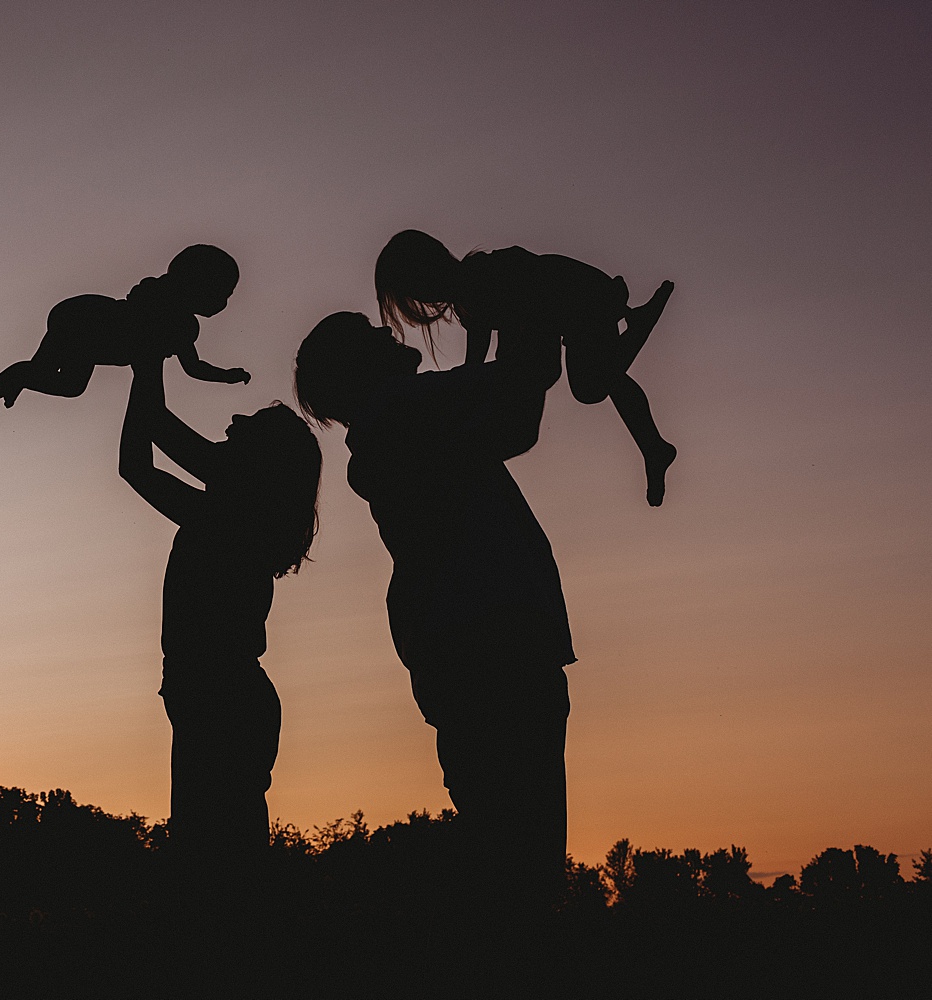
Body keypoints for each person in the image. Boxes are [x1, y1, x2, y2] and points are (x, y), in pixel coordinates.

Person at [294, 311, 570, 912]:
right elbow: (522, 397)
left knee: (502, 847)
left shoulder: (391, 425)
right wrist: (530, 298)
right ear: (359, 368)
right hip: (498, 640)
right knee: (526, 858)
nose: (387, 332)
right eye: (370, 334)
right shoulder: (405, 405)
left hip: (459, 646)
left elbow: (503, 405)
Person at [118, 356, 320, 859]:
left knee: (212, 862)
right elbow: (145, 452)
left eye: (244, 430)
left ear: (257, 465)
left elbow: (142, 454)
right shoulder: (236, 513)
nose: (231, 423)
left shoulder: (228, 517)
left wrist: (148, 360)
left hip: (218, 698)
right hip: (221, 696)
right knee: (223, 856)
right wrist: (149, 362)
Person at [375, 229, 677, 505]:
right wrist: (474, 380)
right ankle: (653, 446)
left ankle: (639, 328)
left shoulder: (482, 276)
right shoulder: (469, 300)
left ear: (432, 265)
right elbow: (478, 355)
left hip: (581, 297)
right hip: (574, 308)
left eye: (418, 286)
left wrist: (497, 368)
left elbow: (529, 297)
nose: (425, 296)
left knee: (592, 386)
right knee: (605, 379)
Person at [0, 245, 250, 429]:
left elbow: (193, 368)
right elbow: (153, 374)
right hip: (82, 320)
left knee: (56, 378)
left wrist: (226, 375)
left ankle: (3, 386)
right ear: (194, 286)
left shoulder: (180, 325)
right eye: (220, 293)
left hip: (83, 322)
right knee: (63, 380)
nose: (222, 303)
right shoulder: (165, 319)